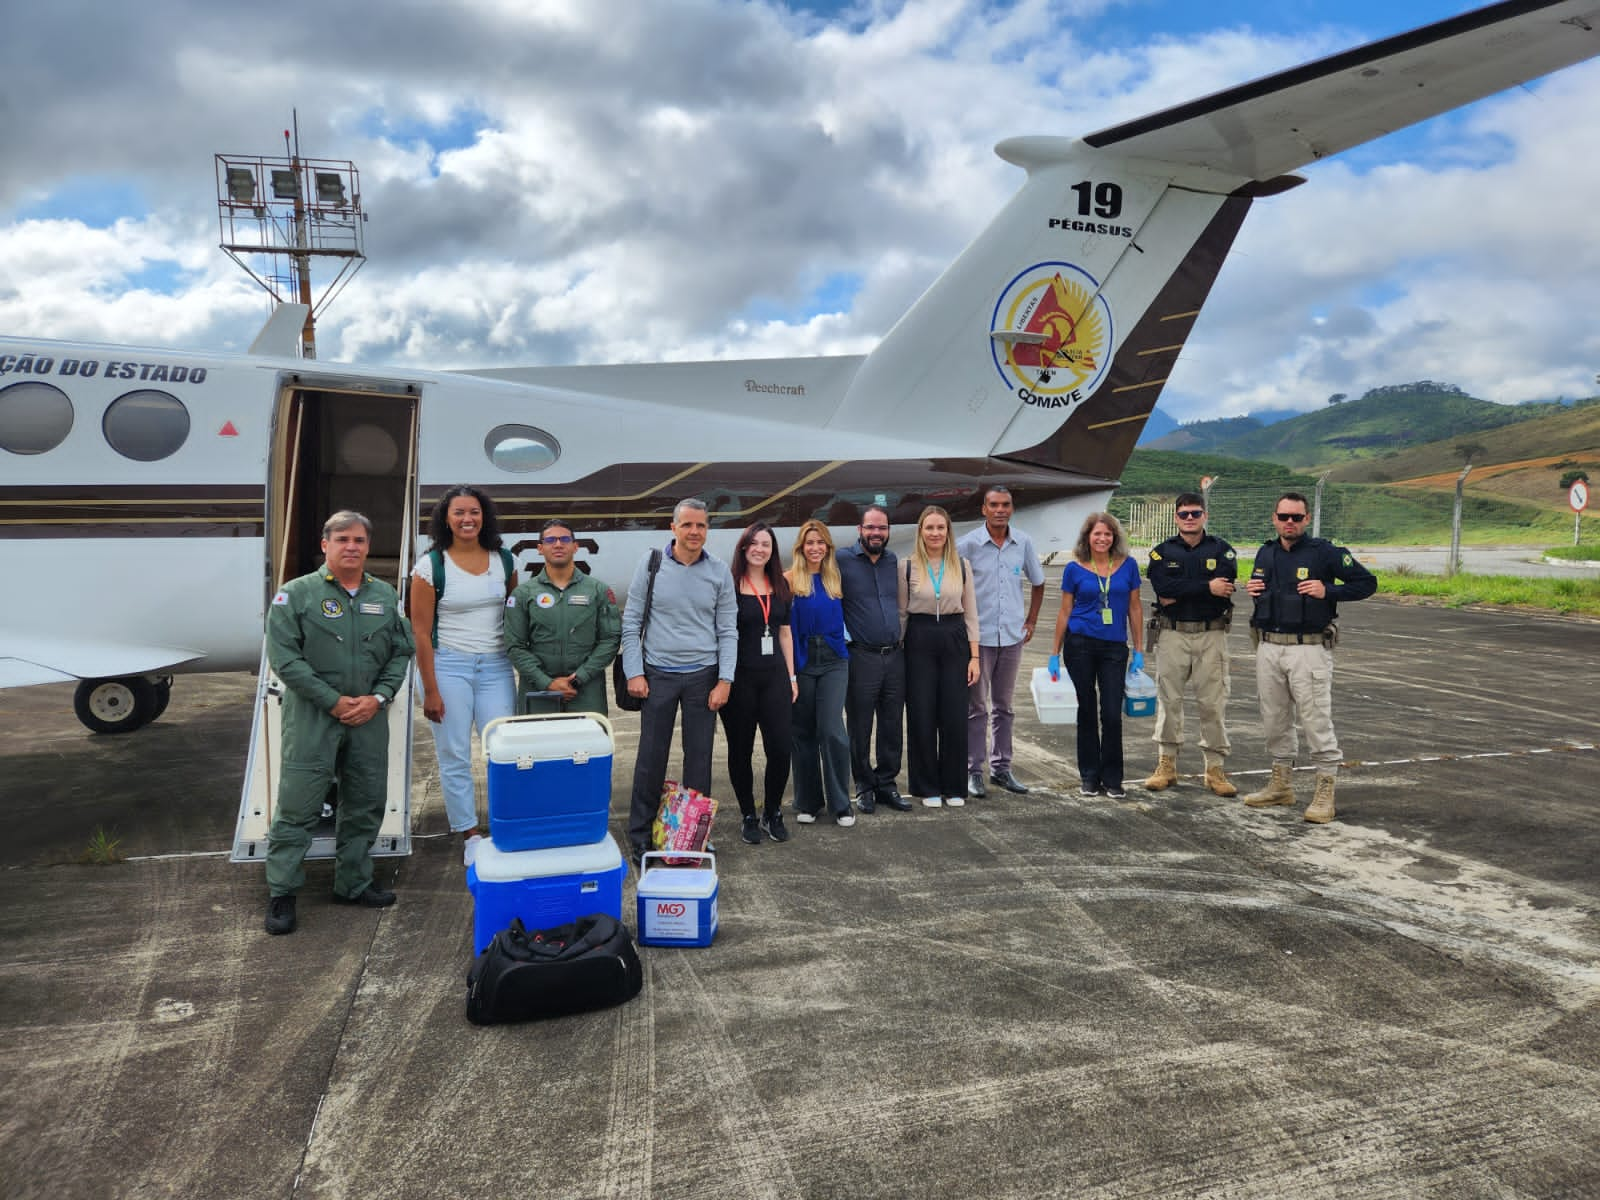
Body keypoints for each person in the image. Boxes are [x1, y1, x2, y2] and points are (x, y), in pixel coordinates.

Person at [264, 511, 415, 935]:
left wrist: (379, 698)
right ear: (325, 544)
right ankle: (282, 893)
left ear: (368, 547)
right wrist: (332, 701)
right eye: (343, 539)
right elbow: (285, 659)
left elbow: (401, 652)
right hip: (313, 715)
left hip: (369, 716)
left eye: (360, 540)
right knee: (298, 807)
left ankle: (353, 884)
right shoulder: (295, 595)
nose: (352, 546)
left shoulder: (384, 596)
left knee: (365, 803)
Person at [1242, 491, 1377, 823]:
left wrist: (1328, 590)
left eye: (1296, 517)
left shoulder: (1325, 553)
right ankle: (1281, 784)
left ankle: (1324, 788)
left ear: (1307, 520)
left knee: (1315, 717)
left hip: (1308, 648)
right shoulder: (1266, 552)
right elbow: (1264, 588)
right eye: (1284, 516)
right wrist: (1253, 589)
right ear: (1274, 518)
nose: (1290, 522)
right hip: (1269, 645)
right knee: (1274, 718)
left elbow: (1366, 583)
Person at [620, 499, 738, 865]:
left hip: (703, 677)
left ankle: (693, 835)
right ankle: (640, 834)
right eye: (687, 525)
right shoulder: (652, 564)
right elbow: (631, 621)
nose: (694, 532)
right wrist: (634, 672)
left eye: (700, 526)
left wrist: (725, 680)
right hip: (658, 675)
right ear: (673, 528)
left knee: (699, 760)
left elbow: (728, 630)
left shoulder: (719, 571)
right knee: (650, 759)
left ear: (707, 529)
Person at [408, 485, 518, 867]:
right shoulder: (430, 566)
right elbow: (420, 631)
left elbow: (513, 612)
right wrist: (431, 690)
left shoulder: (504, 560)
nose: (467, 519)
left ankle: (505, 824)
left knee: (503, 750)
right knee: (454, 753)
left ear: (484, 516)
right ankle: (470, 833)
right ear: (446, 519)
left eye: (474, 511)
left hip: (496, 667)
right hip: (448, 666)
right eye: (459, 513)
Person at [1143, 493, 1239, 797]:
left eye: (1195, 513)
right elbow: (1163, 590)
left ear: (1205, 516)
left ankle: (1214, 769)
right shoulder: (1161, 552)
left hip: (1211, 634)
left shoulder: (1223, 551)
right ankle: (1166, 765)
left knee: (1212, 702)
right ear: (1175, 517)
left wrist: (1184, 591)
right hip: (1173, 633)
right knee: (1168, 700)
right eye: (1183, 514)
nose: (1189, 518)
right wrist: (1206, 587)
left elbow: (1223, 588)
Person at [958, 485, 1046, 798]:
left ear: (1012, 508)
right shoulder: (967, 545)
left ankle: (1002, 769)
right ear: (983, 509)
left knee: (1004, 707)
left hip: (1011, 638)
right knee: (977, 707)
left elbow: (1038, 582)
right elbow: (952, 583)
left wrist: (1031, 620)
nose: (1000, 510)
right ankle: (973, 770)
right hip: (978, 640)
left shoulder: (1023, 543)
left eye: (1005, 505)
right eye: (993, 505)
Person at [1048, 512, 1144, 800]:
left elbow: (1135, 608)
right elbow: (1065, 610)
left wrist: (1139, 649)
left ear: (1114, 537)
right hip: (1080, 645)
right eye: (1097, 534)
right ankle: (1089, 776)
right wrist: (1054, 651)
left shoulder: (1128, 566)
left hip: (1114, 648)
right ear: (1087, 537)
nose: (1102, 539)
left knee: (1112, 713)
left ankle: (1113, 777)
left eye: (1108, 534)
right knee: (1086, 711)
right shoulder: (1074, 569)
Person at [719, 522, 797, 845]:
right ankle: (748, 813)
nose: (760, 549)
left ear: (772, 551)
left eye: (766, 544)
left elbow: (784, 632)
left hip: (775, 678)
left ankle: (773, 810)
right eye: (754, 543)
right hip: (739, 681)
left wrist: (792, 676)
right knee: (741, 751)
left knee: (780, 748)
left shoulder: (780, 585)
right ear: (743, 547)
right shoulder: (729, 585)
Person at [898, 506, 980, 808]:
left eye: (940, 528)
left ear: (948, 532)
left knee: (954, 716)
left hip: (954, 637)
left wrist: (975, 657)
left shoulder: (961, 564)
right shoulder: (906, 566)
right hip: (919, 639)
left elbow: (971, 613)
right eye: (929, 527)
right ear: (920, 531)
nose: (935, 533)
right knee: (921, 714)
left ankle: (954, 785)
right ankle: (926, 786)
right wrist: (899, 651)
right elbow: (902, 614)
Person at [504, 518, 621, 718]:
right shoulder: (523, 594)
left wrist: (580, 677)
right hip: (538, 690)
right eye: (550, 540)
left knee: (588, 747)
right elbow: (514, 645)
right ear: (540, 549)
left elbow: (610, 639)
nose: (558, 544)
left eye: (565, 539)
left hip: (586, 690)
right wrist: (546, 682)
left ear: (575, 547)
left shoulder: (597, 590)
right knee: (539, 748)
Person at [838, 505, 911, 814]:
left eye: (881, 528)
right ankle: (864, 785)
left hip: (894, 656)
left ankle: (887, 783)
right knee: (860, 724)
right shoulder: (842, 559)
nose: (876, 533)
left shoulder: (892, 560)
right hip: (861, 657)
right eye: (870, 528)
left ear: (888, 531)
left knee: (892, 724)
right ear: (860, 530)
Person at [786, 520, 855, 827]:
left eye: (820, 543)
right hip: (802, 660)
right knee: (803, 733)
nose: (815, 548)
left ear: (828, 547)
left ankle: (841, 804)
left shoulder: (836, 579)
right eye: (809, 543)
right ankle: (808, 802)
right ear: (801, 548)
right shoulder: (789, 580)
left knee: (831, 729)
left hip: (833, 660)